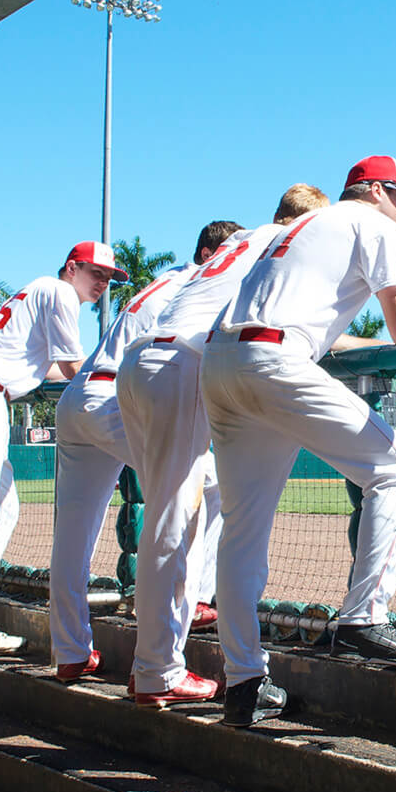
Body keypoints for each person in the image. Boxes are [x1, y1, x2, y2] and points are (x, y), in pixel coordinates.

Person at [201, 156, 396, 727]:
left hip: (223, 361)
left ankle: (243, 682)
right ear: (378, 191)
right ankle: (365, 617)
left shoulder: (298, 228)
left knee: (242, 530)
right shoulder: (374, 223)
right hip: (274, 360)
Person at [119, 185, 330, 707]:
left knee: (190, 502)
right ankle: (155, 671)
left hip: (142, 361)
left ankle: (162, 655)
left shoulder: (243, 238)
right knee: (172, 521)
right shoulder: (285, 243)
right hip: (180, 364)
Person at [46, 230, 219, 683]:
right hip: (113, 402)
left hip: (80, 396)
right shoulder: (201, 284)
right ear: (208, 254)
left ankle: (69, 652)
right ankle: (190, 611)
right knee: (207, 484)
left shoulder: (164, 280)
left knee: (72, 537)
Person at [0, 241, 118, 656]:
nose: (103, 284)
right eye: (96, 274)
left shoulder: (40, 292)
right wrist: (112, 389)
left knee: (2, 508)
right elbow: (73, 367)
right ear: (72, 268)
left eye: (108, 279)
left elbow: (51, 367)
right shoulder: (58, 292)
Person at [184, 220, 248, 631]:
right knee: (171, 510)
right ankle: (156, 663)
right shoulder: (207, 281)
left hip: (133, 381)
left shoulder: (177, 280)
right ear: (209, 254)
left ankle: (195, 598)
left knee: (211, 484)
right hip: (164, 380)